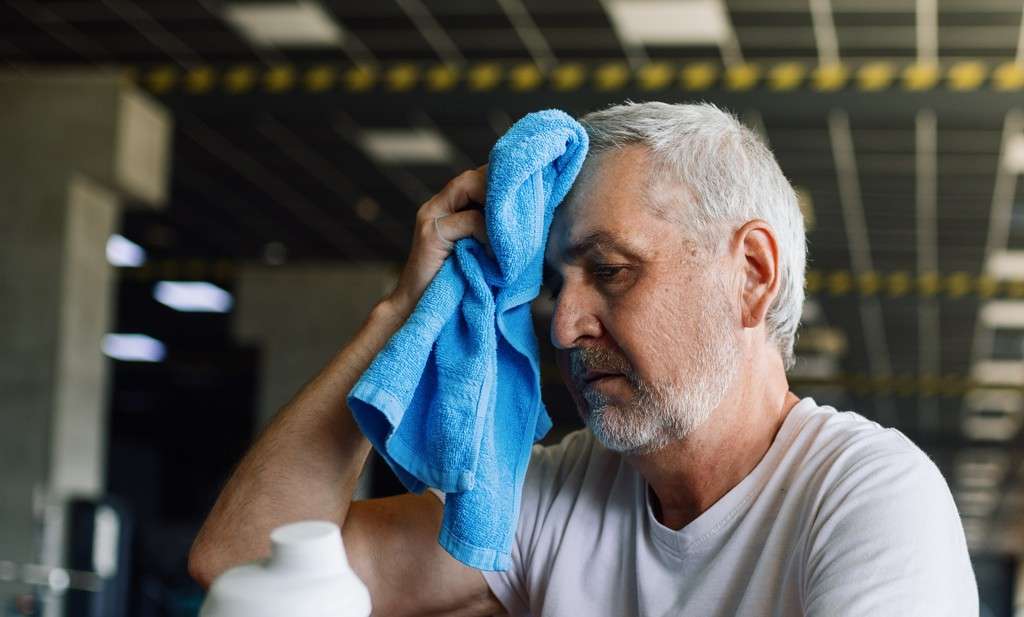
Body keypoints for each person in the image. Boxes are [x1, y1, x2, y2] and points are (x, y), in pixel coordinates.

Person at [188, 102, 978, 616]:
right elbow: (248, 565)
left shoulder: (870, 496)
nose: (563, 324)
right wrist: (401, 315)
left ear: (752, 275)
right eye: (555, 283)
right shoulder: (559, 494)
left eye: (611, 271)